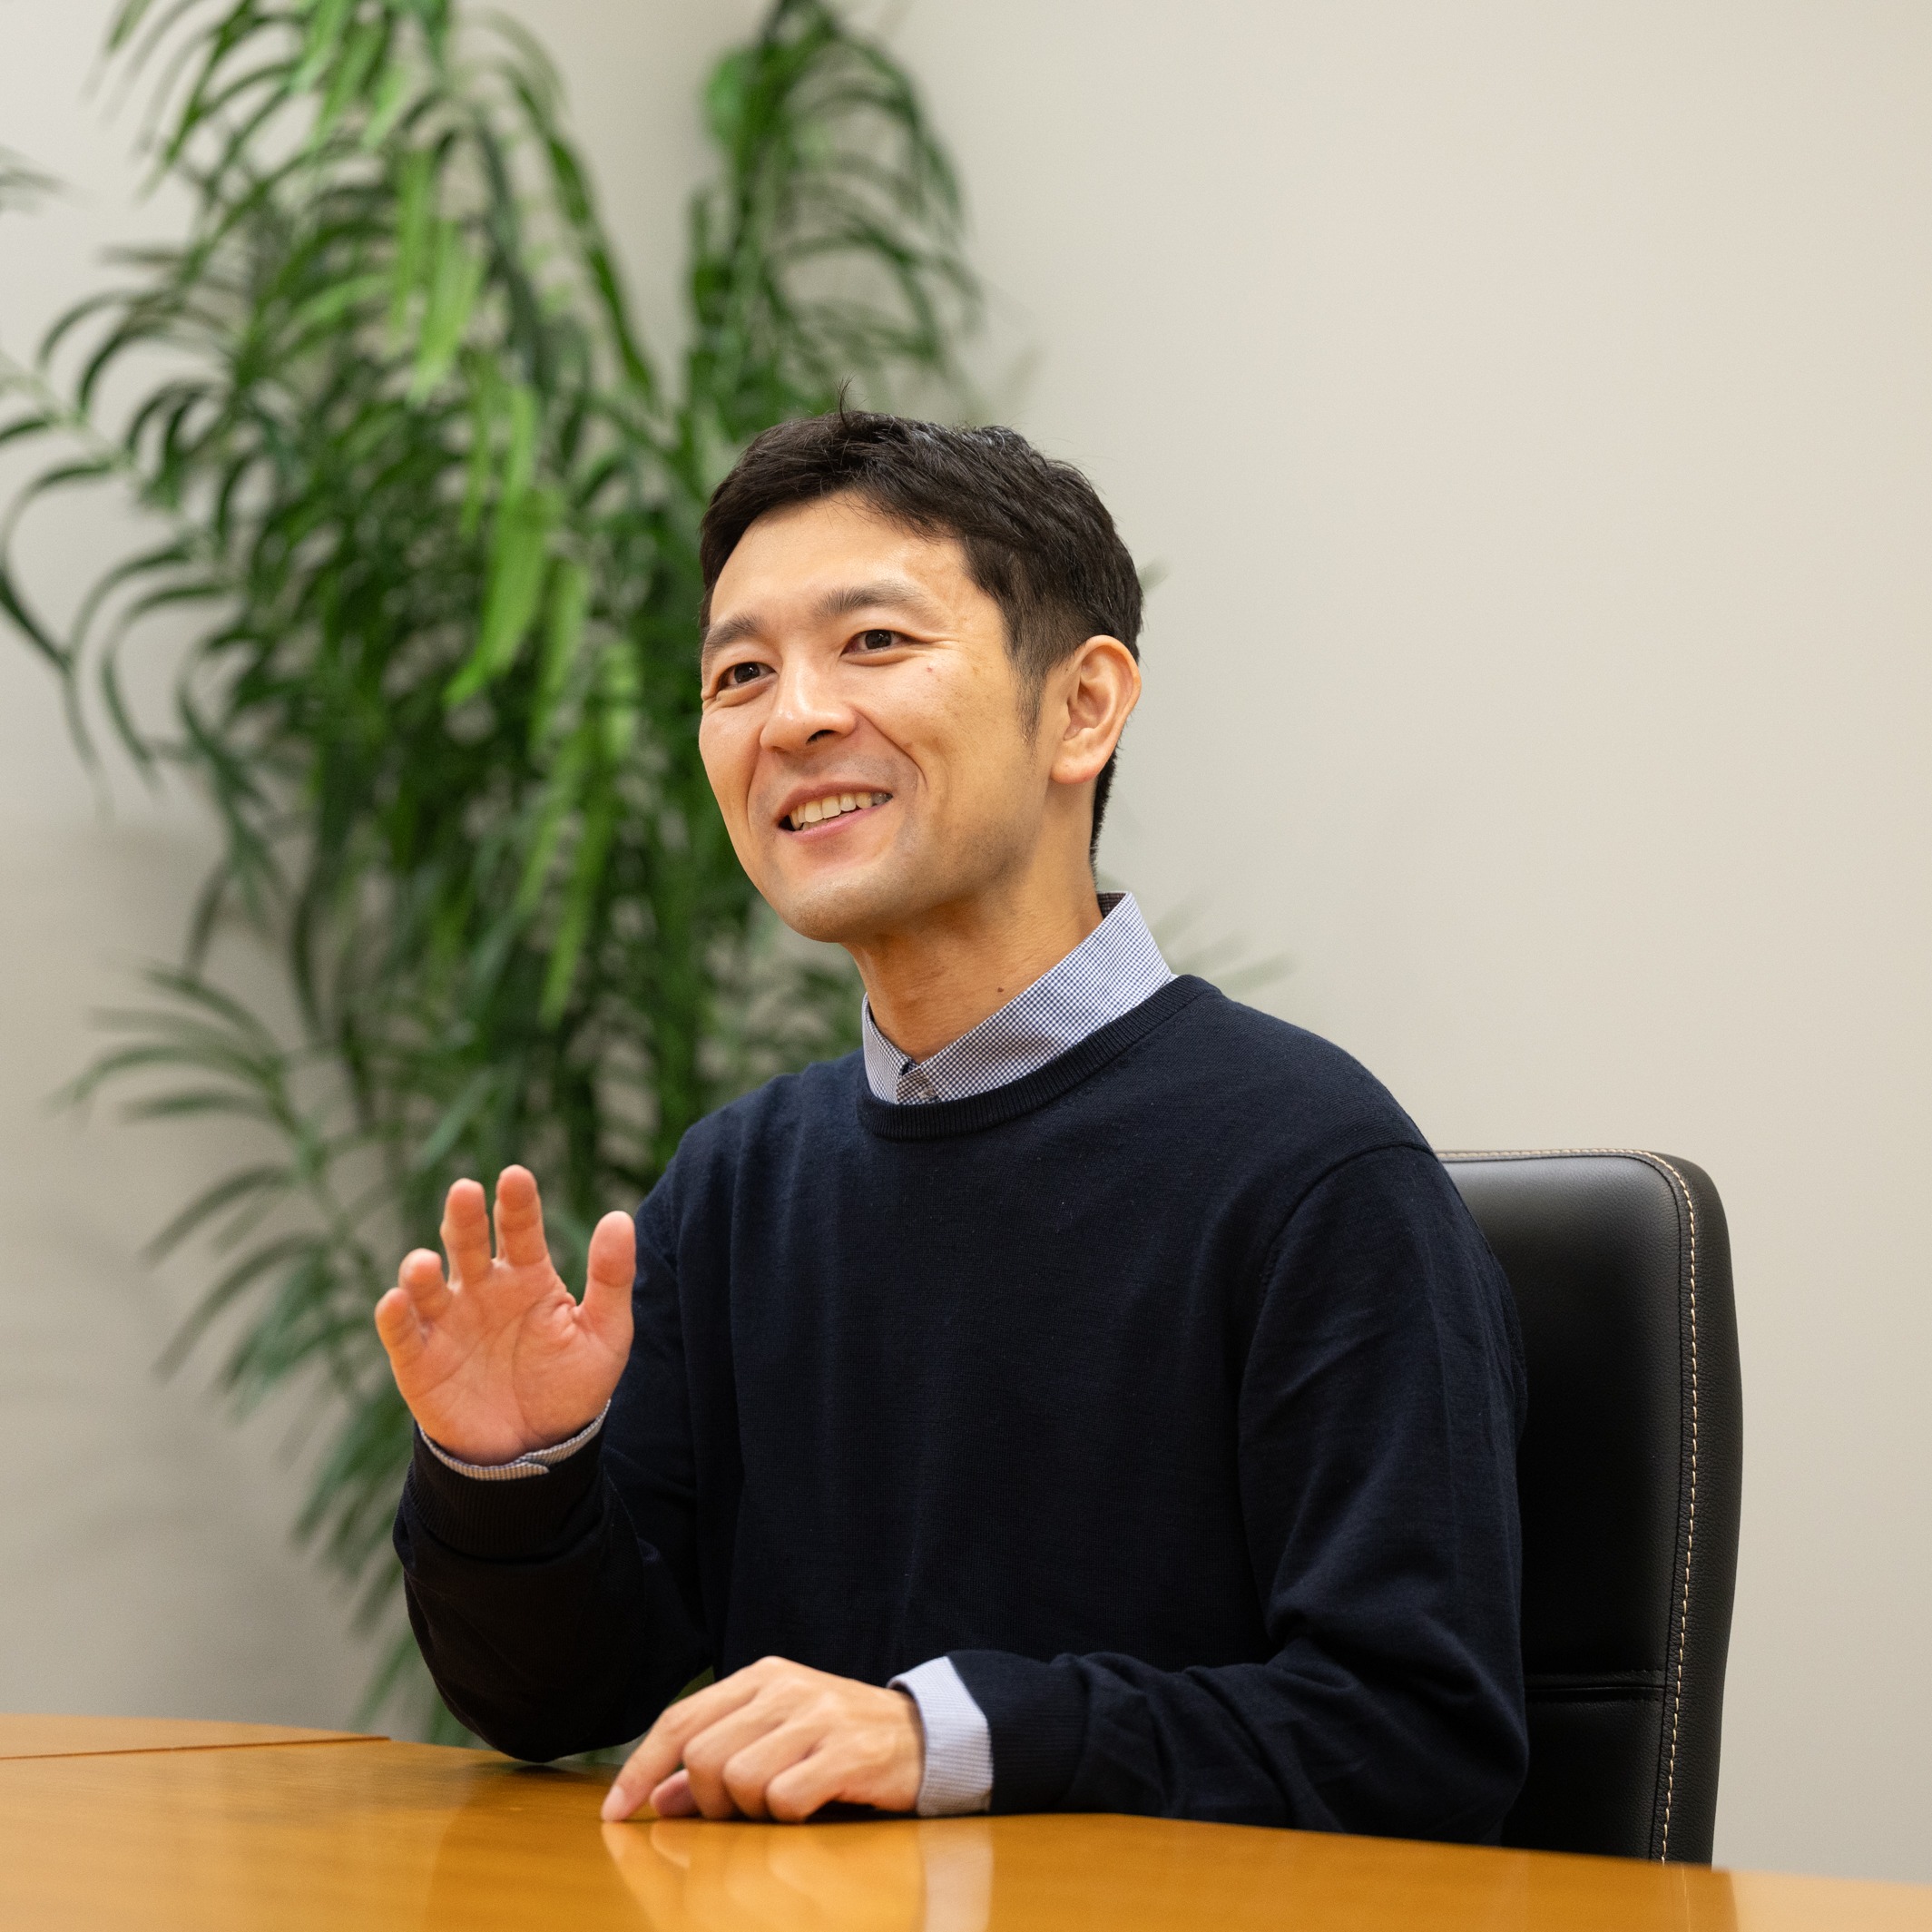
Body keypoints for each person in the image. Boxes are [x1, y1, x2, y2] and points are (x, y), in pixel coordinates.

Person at [378, 411, 1528, 1836]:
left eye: (871, 642)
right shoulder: (738, 1183)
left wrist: (952, 1735)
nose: (791, 717)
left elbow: (1418, 1742)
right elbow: (557, 1696)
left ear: (1083, 707)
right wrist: (514, 1478)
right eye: (739, 673)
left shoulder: (1313, 1170)